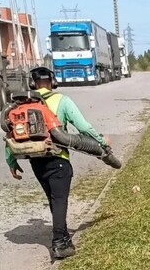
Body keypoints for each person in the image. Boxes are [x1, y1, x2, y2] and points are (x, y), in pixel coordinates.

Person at [6, 66, 112, 260]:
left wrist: (11, 161)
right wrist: (102, 142)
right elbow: (83, 127)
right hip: (58, 160)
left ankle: (63, 236)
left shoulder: (22, 106)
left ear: (32, 83)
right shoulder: (62, 101)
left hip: (36, 162)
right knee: (59, 200)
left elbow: (10, 134)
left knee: (54, 199)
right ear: (53, 81)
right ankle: (59, 244)